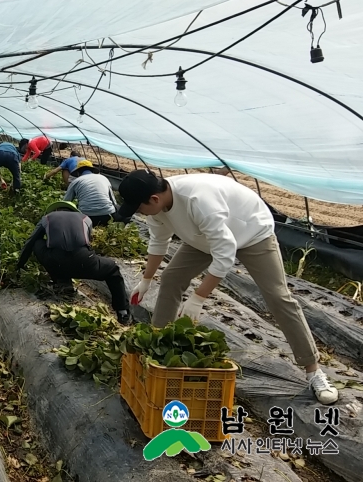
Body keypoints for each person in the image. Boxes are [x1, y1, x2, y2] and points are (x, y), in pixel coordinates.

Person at [117, 170, 339, 405]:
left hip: (252, 233)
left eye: (138, 207)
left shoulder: (198, 200)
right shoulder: (157, 209)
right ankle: (157, 350)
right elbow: (159, 241)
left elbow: (224, 256)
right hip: (204, 237)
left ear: (154, 199)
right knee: (172, 277)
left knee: (277, 297)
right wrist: (147, 279)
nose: (139, 213)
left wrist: (198, 297)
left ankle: (314, 370)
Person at [17, 201, 132, 324]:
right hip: (84, 262)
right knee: (112, 270)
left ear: (55, 210)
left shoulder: (47, 218)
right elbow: (86, 242)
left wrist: (19, 266)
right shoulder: (85, 219)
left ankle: (62, 281)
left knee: (38, 243)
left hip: (56, 263)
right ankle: (122, 311)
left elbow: (30, 241)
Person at [64, 160, 119, 226]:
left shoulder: (76, 181)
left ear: (78, 173)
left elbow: (66, 202)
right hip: (108, 215)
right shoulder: (104, 178)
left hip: (87, 217)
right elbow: (113, 201)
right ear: (92, 171)